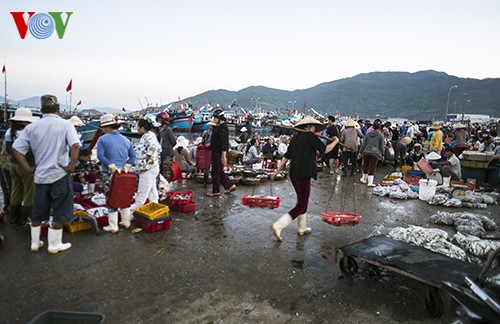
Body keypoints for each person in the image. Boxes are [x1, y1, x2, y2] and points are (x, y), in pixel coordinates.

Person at [12, 95, 79, 254]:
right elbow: (75, 146)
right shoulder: (65, 125)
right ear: (58, 109)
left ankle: (35, 243)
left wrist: (28, 168)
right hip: (59, 174)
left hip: (40, 176)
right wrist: (71, 166)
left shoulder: (31, 127)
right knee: (60, 210)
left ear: (41, 110)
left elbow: (16, 150)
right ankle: (54, 245)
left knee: (38, 210)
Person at [270, 116, 339, 241]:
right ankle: (279, 225)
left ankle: (302, 227)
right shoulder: (310, 136)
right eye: (313, 126)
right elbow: (325, 149)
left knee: (302, 200)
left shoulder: (295, 138)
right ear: (308, 127)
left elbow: (286, 156)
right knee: (301, 204)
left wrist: (277, 171)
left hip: (294, 172)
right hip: (303, 173)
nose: (314, 129)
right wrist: (335, 141)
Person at [96, 114, 136, 232]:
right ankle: (126, 221)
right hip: (125, 173)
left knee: (111, 197)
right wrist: (127, 165)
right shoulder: (126, 140)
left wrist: (109, 165)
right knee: (124, 196)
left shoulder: (102, 139)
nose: (103, 130)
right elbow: (133, 157)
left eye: (103, 128)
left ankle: (113, 226)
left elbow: (100, 156)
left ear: (107, 127)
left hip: (109, 173)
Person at [5, 108, 38, 225]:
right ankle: (27, 218)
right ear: (25, 121)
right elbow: (30, 152)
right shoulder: (27, 132)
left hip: (12, 164)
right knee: (29, 192)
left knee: (16, 190)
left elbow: (9, 150)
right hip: (25, 165)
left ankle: (14, 218)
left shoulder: (9, 131)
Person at [130, 119, 161, 212]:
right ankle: (155, 210)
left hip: (147, 169)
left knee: (141, 195)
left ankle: (128, 216)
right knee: (152, 192)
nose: (137, 130)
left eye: (138, 127)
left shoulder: (149, 136)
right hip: (151, 167)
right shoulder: (148, 135)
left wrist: (148, 157)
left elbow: (153, 147)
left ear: (142, 128)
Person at [207, 109, 235, 197]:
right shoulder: (218, 127)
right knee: (219, 171)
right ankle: (229, 186)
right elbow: (216, 141)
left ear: (219, 118)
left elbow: (224, 143)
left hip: (219, 153)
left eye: (215, 118)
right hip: (215, 152)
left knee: (215, 172)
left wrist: (223, 156)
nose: (214, 119)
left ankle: (216, 191)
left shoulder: (223, 128)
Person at [359, 119, 385, 187]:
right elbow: (381, 146)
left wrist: (360, 152)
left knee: (365, 165)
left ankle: (364, 179)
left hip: (366, 152)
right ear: (379, 127)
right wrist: (382, 154)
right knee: (372, 167)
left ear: (372, 126)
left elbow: (364, 144)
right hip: (375, 153)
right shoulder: (380, 135)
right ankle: (370, 182)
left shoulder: (368, 134)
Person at [156, 112, 176, 181]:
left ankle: (166, 189)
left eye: (159, 120)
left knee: (166, 173)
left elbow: (174, 142)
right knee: (160, 172)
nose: (158, 121)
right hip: (160, 154)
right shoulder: (159, 130)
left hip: (167, 154)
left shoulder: (168, 130)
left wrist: (166, 146)